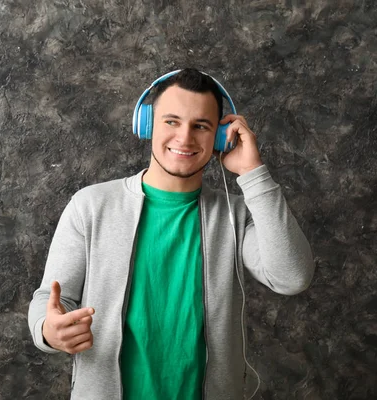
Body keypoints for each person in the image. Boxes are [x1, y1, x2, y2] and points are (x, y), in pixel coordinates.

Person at [28, 68, 315, 400]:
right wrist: (49, 331)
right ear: (147, 124)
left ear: (222, 137)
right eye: (172, 121)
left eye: (201, 126)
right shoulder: (90, 206)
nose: (185, 138)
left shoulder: (237, 215)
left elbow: (291, 277)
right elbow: (51, 301)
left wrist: (253, 173)